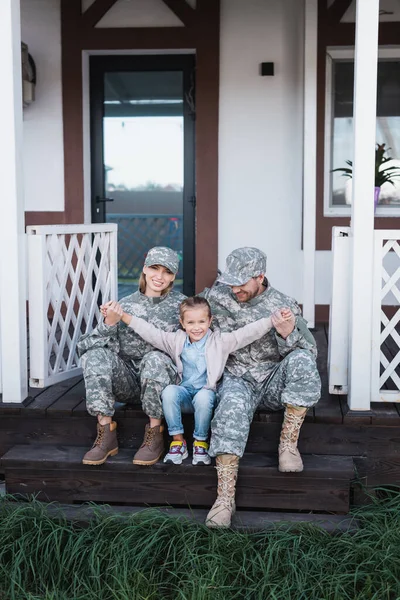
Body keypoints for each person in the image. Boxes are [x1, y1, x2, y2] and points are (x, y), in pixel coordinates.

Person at [202, 247, 321, 528]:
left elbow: (309, 351)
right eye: (230, 281)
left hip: (271, 381)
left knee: (302, 361)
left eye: (241, 283)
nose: (234, 288)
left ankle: (288, 445)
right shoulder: (215, 297)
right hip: (236, 378)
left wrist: (287, 334)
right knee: (229, 408)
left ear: (260, 276)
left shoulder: (283, 304)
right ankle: (224, 499)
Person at [101, 296, 283, 467]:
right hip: (185, 395)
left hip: (206, 396)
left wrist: (271, 320)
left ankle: (200, 442)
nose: (197, 327)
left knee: (203, 396)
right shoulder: (175, 341)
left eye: (202, 322)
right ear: (182, 323)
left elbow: (246, 333)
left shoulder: (220, 342)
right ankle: (178, 441)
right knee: (169, 391)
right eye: (190, 322)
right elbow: (150, 332)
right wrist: (122, 316)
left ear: (210, 321)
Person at [77, 246, 186, 466]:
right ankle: (106, 433)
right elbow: (84, 347)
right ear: (145, 269)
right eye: (155, 268)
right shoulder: (124, 305)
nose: (160, 276)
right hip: (129, 382)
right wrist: (109, 323)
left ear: (173, 276)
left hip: (164, 383)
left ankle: (154, 434)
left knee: (155, 358)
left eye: (167, 272)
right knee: (95, 355)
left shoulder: (182, 306)